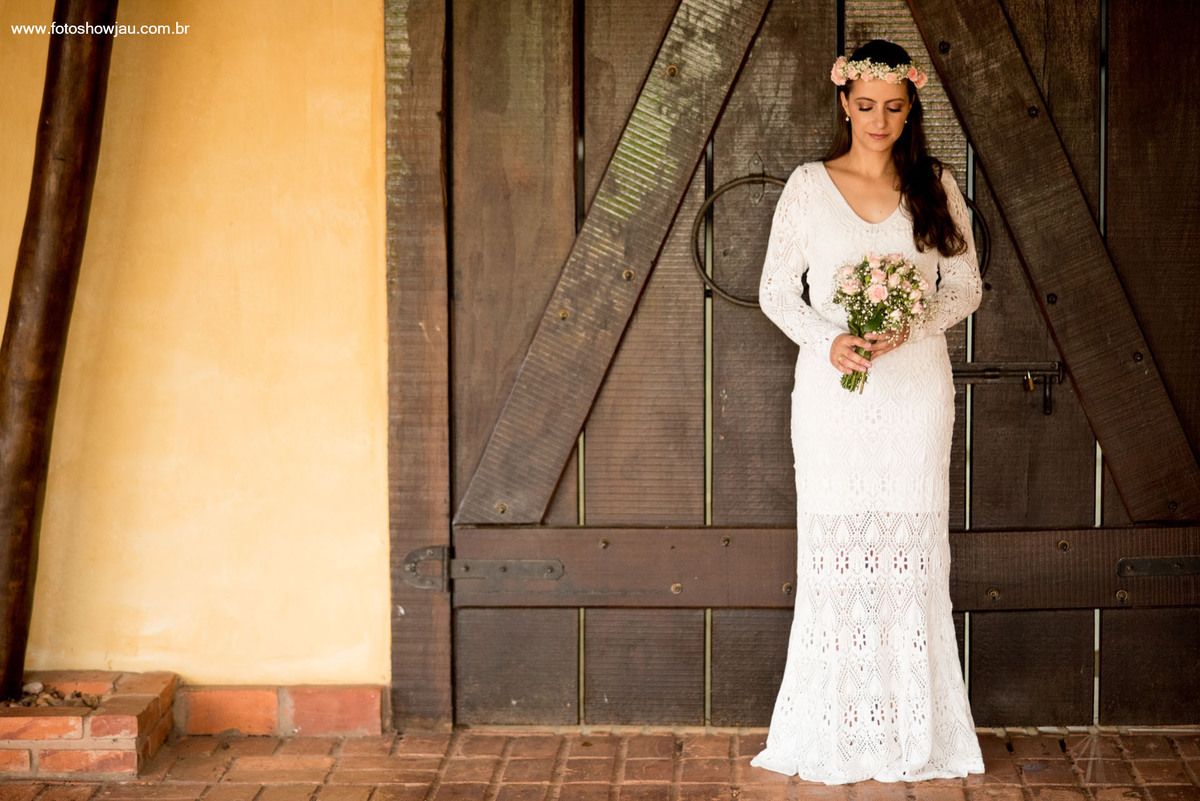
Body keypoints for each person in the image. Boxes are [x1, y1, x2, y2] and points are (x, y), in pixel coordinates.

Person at [750, 39, 985, 784]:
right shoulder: (808, 186)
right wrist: (830, 340)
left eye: (893, 107)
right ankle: (835, 726)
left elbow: (965, 286)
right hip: (834, 398)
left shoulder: (935, 185)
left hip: (915, 392)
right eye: (865, 105)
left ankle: (915, 727)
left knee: (910, 552)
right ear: (844, 104)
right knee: (837, 552)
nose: (878, 120)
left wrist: (910, 325)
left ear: (910, 109)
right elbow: (775, 291)